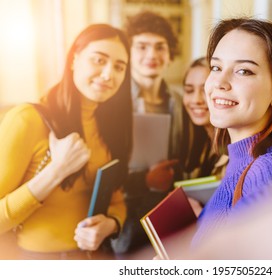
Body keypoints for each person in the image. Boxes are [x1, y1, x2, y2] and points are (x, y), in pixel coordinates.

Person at [0, 24, 133, 259]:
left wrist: (111, 224)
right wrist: (56, 171)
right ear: (74, 59)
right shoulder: (27, 120)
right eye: (99, 60)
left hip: (96, 258)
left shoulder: (111, 127)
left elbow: (117, 200)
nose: (108, 74)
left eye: (119, 67)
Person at [191, 17, 272, 245]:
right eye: (216, 67)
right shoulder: (241, 160)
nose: (220, 82)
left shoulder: (269, 171)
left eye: (243, 71)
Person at [112, 10, 183, 255]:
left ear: (169, 52)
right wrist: (144, 180)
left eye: (159, 47)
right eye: (141, 47)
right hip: (123, 223)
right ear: (129, 53)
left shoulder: (180, 101)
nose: (151, 55)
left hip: (169, 218)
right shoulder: (112, 102)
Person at [180, 57, 228, 181]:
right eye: (189, 90)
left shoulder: (235, 152)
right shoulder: (202, 145)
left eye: (205, 90)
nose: (196, 100)